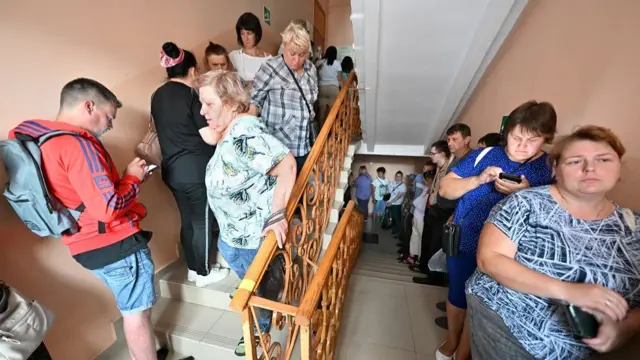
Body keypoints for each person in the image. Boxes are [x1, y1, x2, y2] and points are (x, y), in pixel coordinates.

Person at [8, 78, 158, 360]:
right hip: (115, 244)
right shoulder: (77, 145)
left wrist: (130, 181)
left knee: (131, 310)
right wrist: (133, 179)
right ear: (89, 106)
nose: (110, 125)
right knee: (137, 314)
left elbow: (83, 201)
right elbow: (108, 207)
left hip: (82, 245)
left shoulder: (42, 142)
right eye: (109, 117)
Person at [467, 125, 640, 359]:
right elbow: (490, 259)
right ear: (556, 169)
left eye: (603, 159)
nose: (590, 168)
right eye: (575, 161)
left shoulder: (634, 225)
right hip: (509, 331)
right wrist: (568, 291)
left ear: (618, 167)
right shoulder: (524, 204)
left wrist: (628, 326)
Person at [436, 100, 557, 360]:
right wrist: (478, 179)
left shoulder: (550, 169)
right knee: (457, 294)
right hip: (465, 239)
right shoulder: (486, 154)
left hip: (509, 253)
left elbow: (557, 215)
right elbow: (445, 189)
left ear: (545, 139)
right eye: (516, 137)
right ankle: (452, 341)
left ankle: (462, 354)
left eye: (532, 140)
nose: (522, 146)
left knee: (481, 302)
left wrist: (526, 193)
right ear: (507, 131)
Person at [197, 70, 297, 356]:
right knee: (250, 283)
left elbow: (287, 166)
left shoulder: (245, 133)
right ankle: (252, 300)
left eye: (209, 103)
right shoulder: (232, 129)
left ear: (229, 103)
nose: (202, 111)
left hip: (251, 241)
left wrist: (277, 215)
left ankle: (260, 328)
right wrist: (217, 136)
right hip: (234, 237)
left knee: (260, 292)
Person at [153, 42, 229, 287]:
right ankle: (204, 272)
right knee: (202, 220)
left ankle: (193, 269)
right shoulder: (190, 96)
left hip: (172, 170)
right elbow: (209, 137)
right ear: (193, 71)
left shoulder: (157, 95)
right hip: (196, 170)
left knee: (187, 220)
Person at [250, 21, 318, 175]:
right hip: (279, 146)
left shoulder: (311, 69)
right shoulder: (270, 68)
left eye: (302, 54)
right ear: (284, 45)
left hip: (304, 144)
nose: (297, 60)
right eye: (292, 53)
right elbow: (254, 102)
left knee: (302, 190)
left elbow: (312, 98)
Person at [410, 140, 454, 282]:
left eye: (433, 153)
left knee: (435, 244)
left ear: (442, 153)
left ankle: (434, 277)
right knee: (427, 241)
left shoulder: (450, 168)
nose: (431, 156)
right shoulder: (438, 168)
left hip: (441, 211)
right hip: (432, 210)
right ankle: (424, 268)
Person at [229, 12, 271, 85]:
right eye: (242, 33)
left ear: (257, 34)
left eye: (249, 33)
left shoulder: (268, 59)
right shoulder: (233, 56)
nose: (246, 38)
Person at [315, 46, 342, 126]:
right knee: (332, 112)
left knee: (321, 112)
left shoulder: (320, 62)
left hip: (322, 88)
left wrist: (316, 57)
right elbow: (339, 78)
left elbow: (313, 67)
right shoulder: (337, 63)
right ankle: (331, 132)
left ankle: (321, 132)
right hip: (333, 88)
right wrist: (343, 89)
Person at [386, 171, 407, 237]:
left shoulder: (403, 186)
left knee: (397, 218)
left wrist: (390, 202)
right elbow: (388, 191)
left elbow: (399, 196)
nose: (398, 177)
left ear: (401, 177)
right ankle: (394, 230)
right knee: (392, 217)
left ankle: (399, 233)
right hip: (390, 203)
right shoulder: (392, 183)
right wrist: (387, 200)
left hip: (396, 204)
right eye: (396, 176)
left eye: (399, 176)